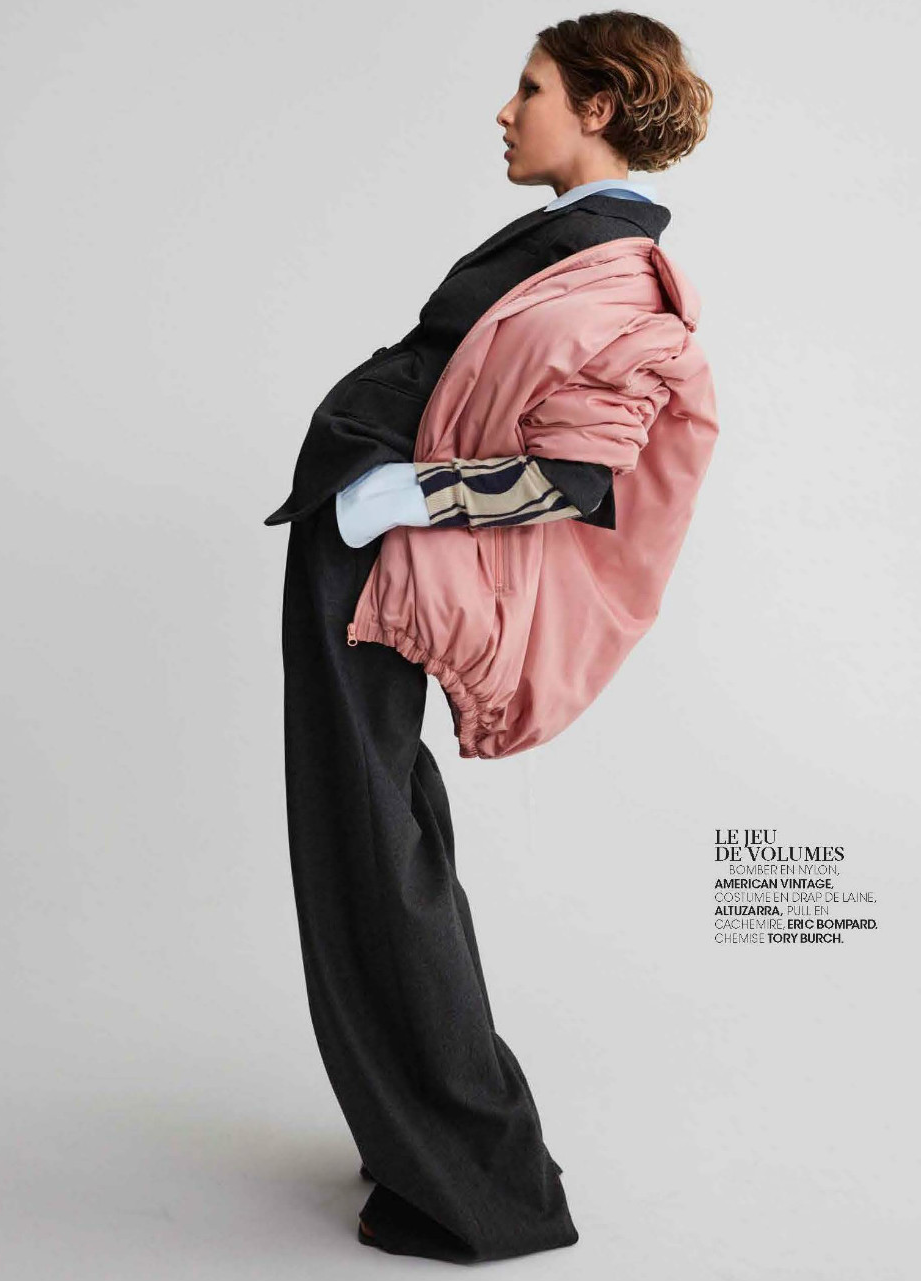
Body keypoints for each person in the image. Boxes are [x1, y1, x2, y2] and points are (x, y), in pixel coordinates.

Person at [264, 12, 712, 1262]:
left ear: (601, 105)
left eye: (531, 89)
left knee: (372, 847)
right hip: (359, 545)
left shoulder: (619, 276)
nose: (506, 113)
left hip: (381, 554)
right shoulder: (569, 241)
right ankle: (426, 1139)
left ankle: (480, 1186)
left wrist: (392, 500)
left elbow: (575, 478)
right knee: (378, 835)